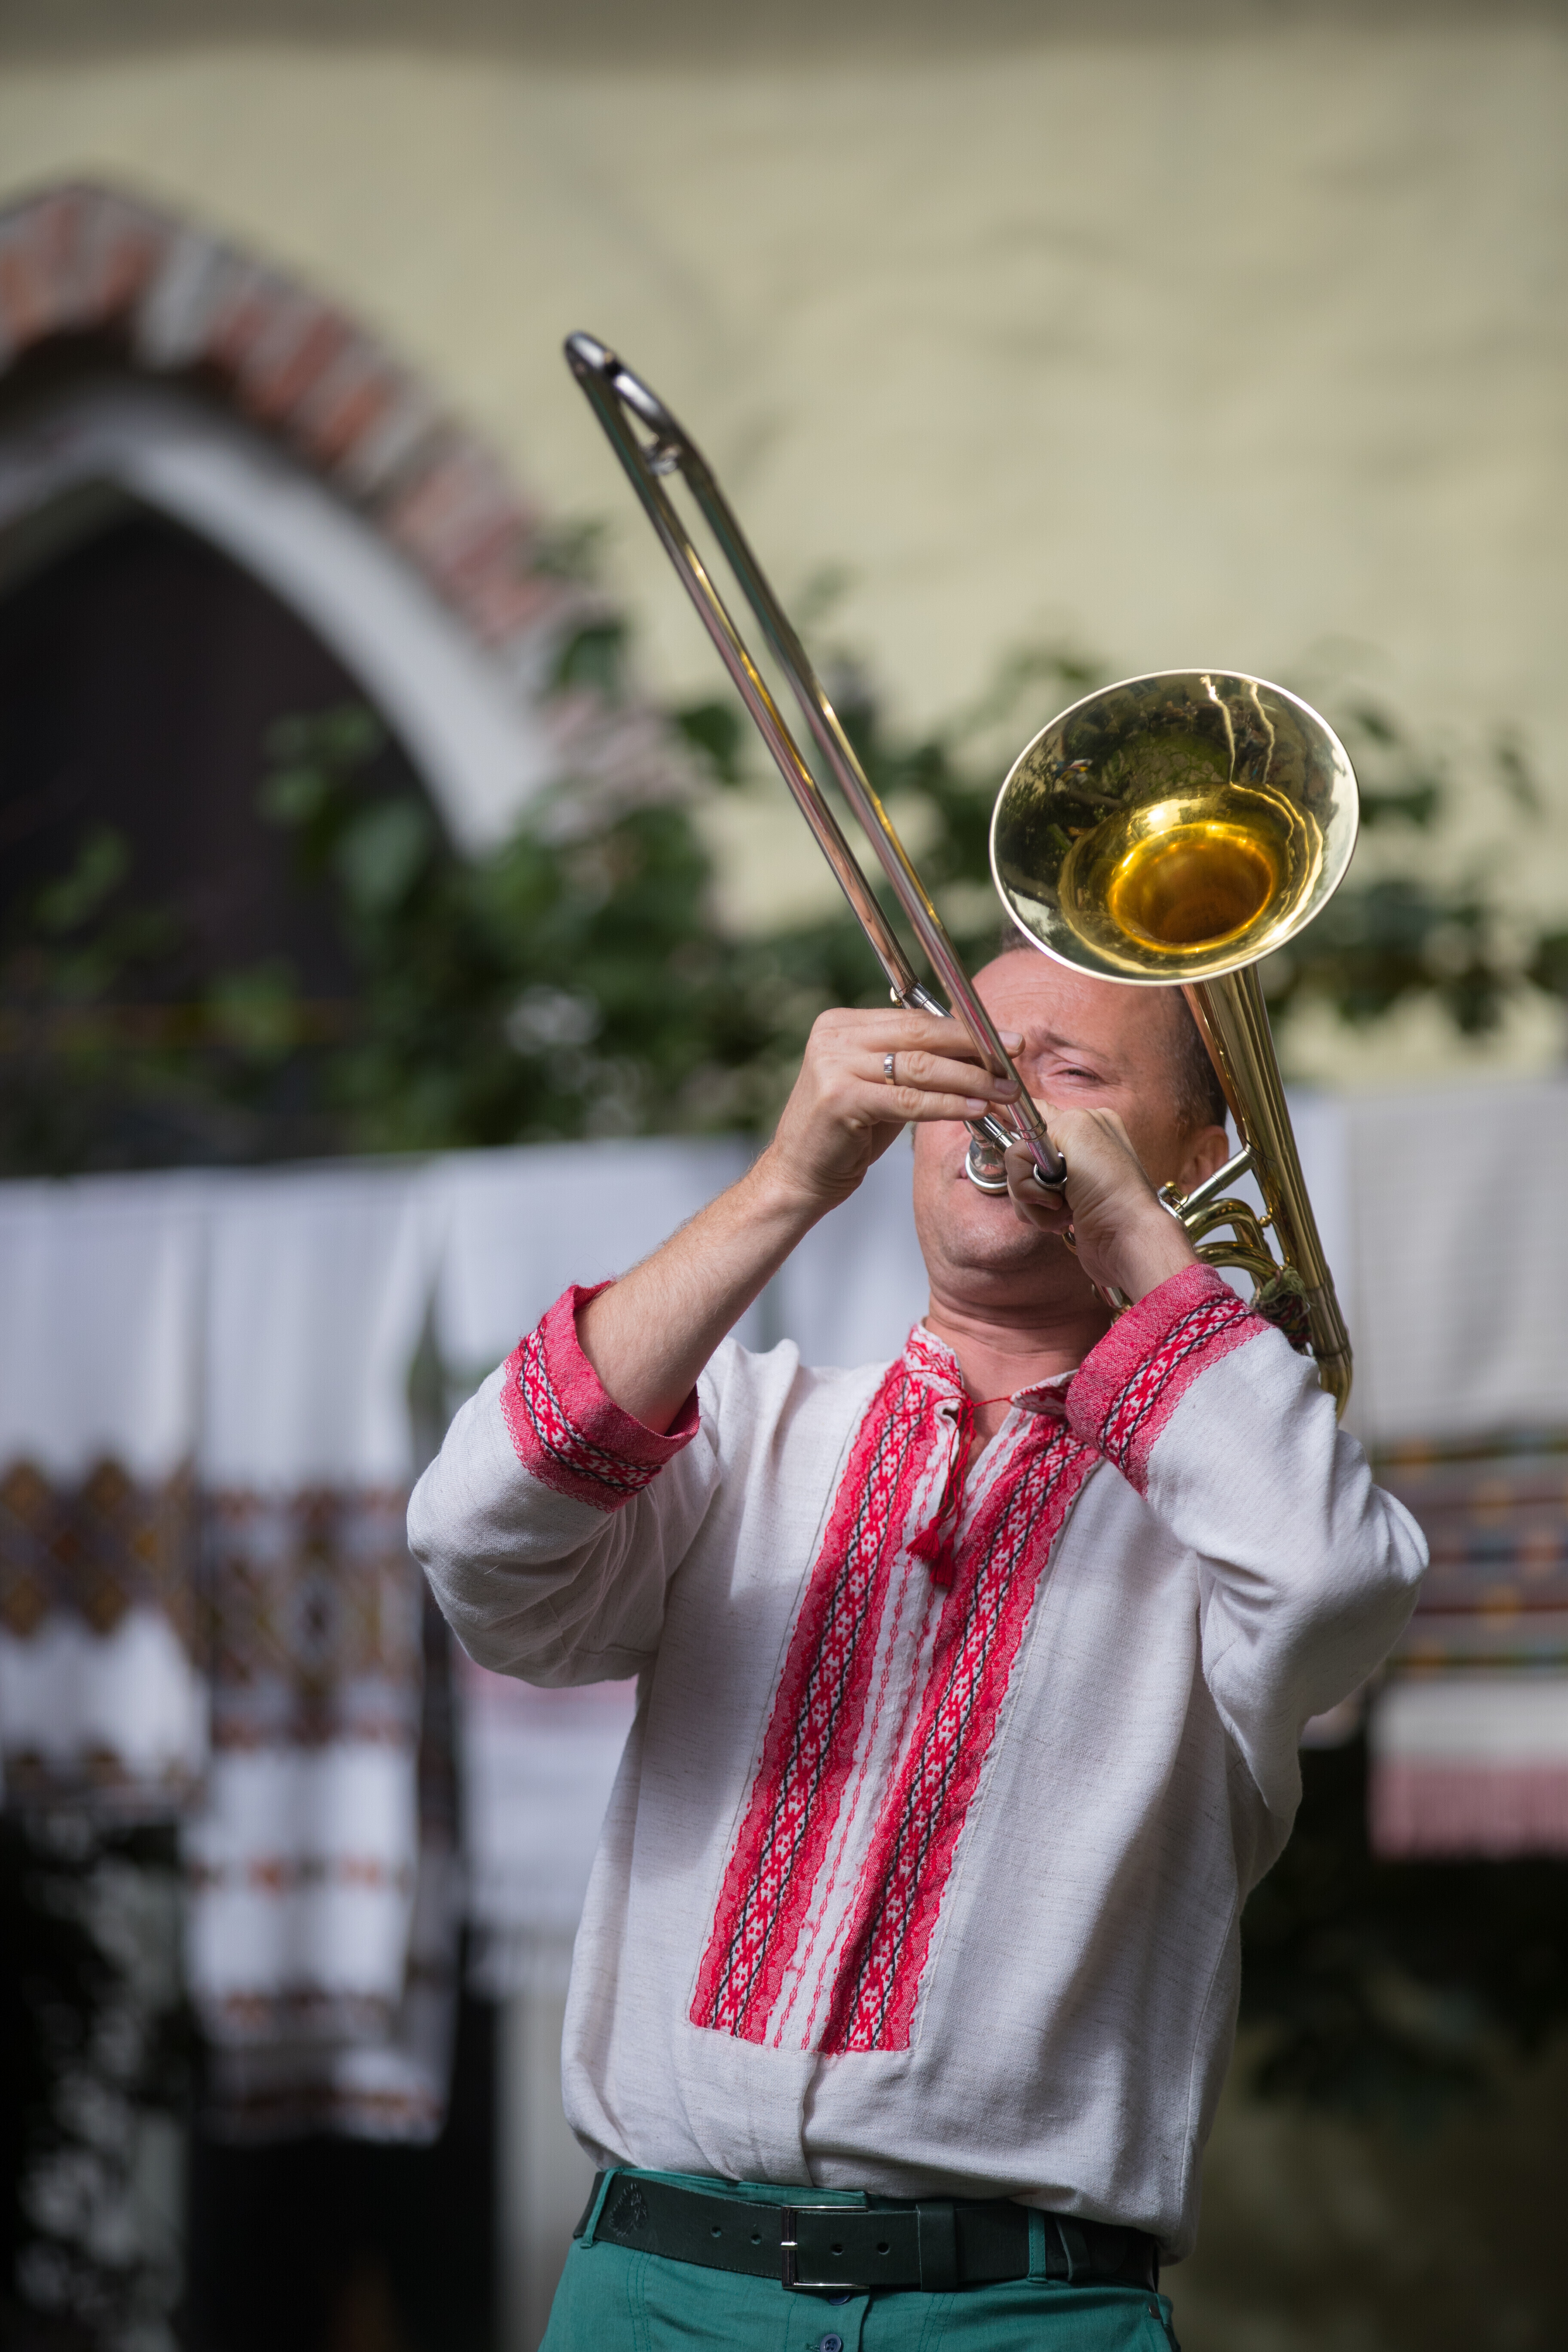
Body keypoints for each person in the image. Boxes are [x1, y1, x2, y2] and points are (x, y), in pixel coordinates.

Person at [410, 949, 1425, 2351]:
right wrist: (788, 1181)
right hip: (652, 2291)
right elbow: (473, 1537)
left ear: (1199, 1156)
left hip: (1026, 2314)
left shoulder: (1225, 1504)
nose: (1007, 1101)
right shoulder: (752, 1422)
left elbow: (1333, 1590)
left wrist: (1135, 1241)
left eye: (1070, 1072)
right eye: (976, 1062)